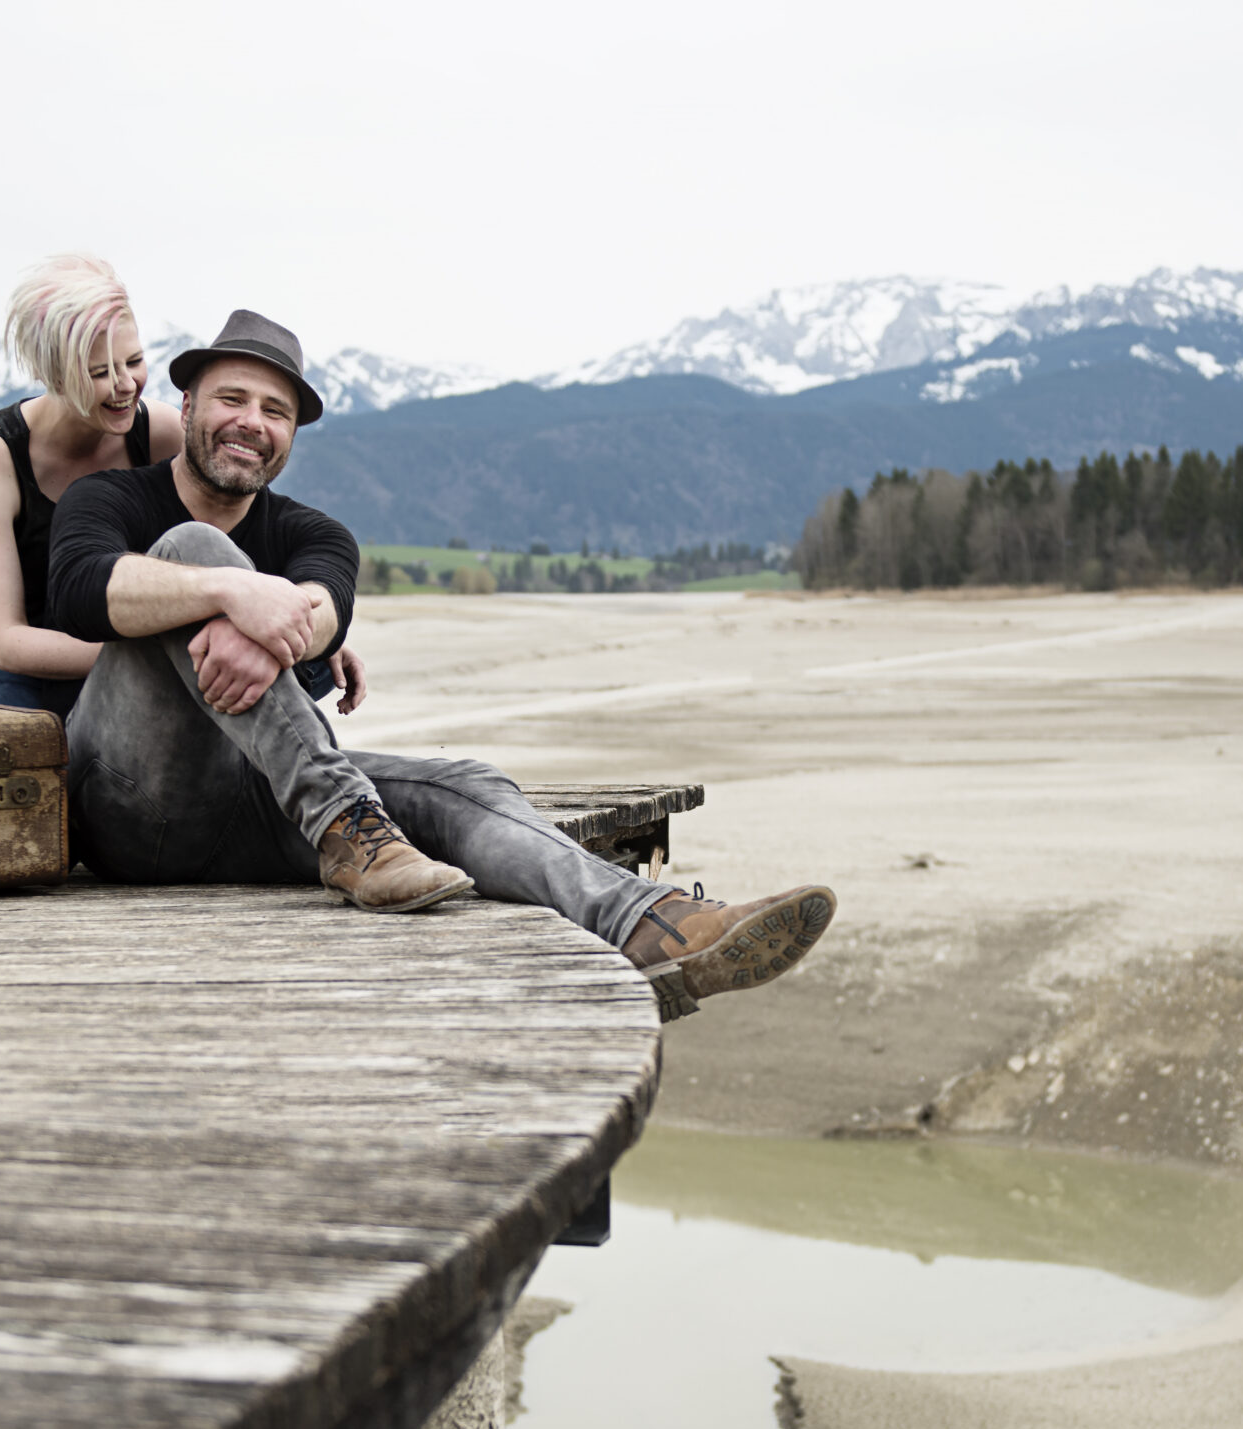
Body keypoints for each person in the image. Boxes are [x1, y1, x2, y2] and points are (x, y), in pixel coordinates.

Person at [44, 308, 836, 1017]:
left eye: (275, 411)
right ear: (185, 407)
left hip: (247, 807)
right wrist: (228, 593)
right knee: (189, 548)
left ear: (291, 437)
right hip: (121, 803)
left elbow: (324, 613)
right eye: (232, 399)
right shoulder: (110, 501)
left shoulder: (316, 535)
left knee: (468, 786)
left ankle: (653, 923)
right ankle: (350, 828)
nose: (251, 422)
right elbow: (79, 592)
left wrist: (268, 620)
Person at [0, 255, 183, 719]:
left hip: (122, 654)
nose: (126, 385)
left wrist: (311, 618)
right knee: (56, 744)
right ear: (53, 374)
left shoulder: (163, 435)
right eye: (100, 373)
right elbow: (7, 643)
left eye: (135, 361)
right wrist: (163, 659)